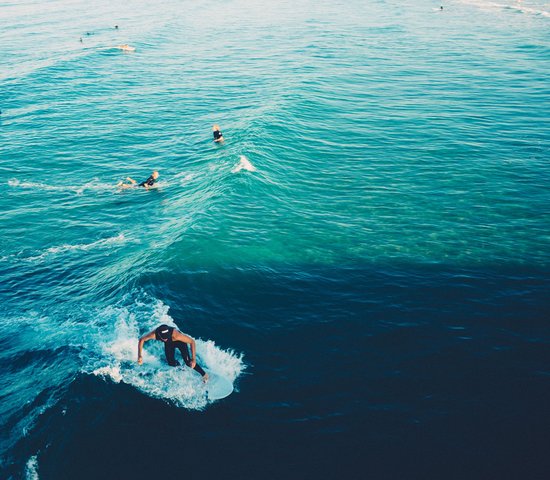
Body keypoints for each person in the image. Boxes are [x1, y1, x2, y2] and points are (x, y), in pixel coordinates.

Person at [137, 324, 209, 382]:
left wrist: (193, 359)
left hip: (180, 343)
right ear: (159, 335)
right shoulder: (154, 334)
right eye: (164, 338)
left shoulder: (176, 335)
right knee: (170, 362)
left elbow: (192, 342)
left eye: (167, 337)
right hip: (169, 344)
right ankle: (180, 369)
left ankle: (204, 374)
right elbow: (142, 339)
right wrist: (140, 355)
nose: (166, 339)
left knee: (188, 362)